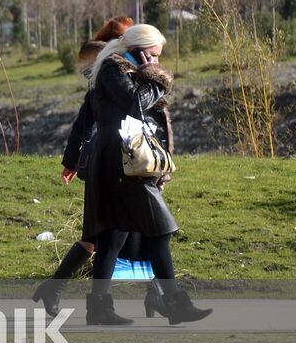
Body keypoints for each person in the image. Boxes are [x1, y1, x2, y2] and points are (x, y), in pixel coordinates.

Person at [32, 16, 169, 318]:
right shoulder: (114, 72)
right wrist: (72, 161)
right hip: (114, 162)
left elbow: (87, 120)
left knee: (120, 233)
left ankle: (151, 296)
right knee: (117, 233)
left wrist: (71, 161)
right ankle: (140, 298)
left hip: (128, 160)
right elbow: (87, 119)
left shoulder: (119, 70)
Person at [80, 23, 211, 325]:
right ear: (137, 49)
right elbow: (135, 104)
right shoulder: (113, 68)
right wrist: (157, 80)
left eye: (158, 58)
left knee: (113, 237)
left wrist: (149, 77)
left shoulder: (124, 70)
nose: (155, 62)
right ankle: (175, 304)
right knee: (160, 230)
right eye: (152, 56)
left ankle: (98, 308)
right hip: (121, 164)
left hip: (121, 162)